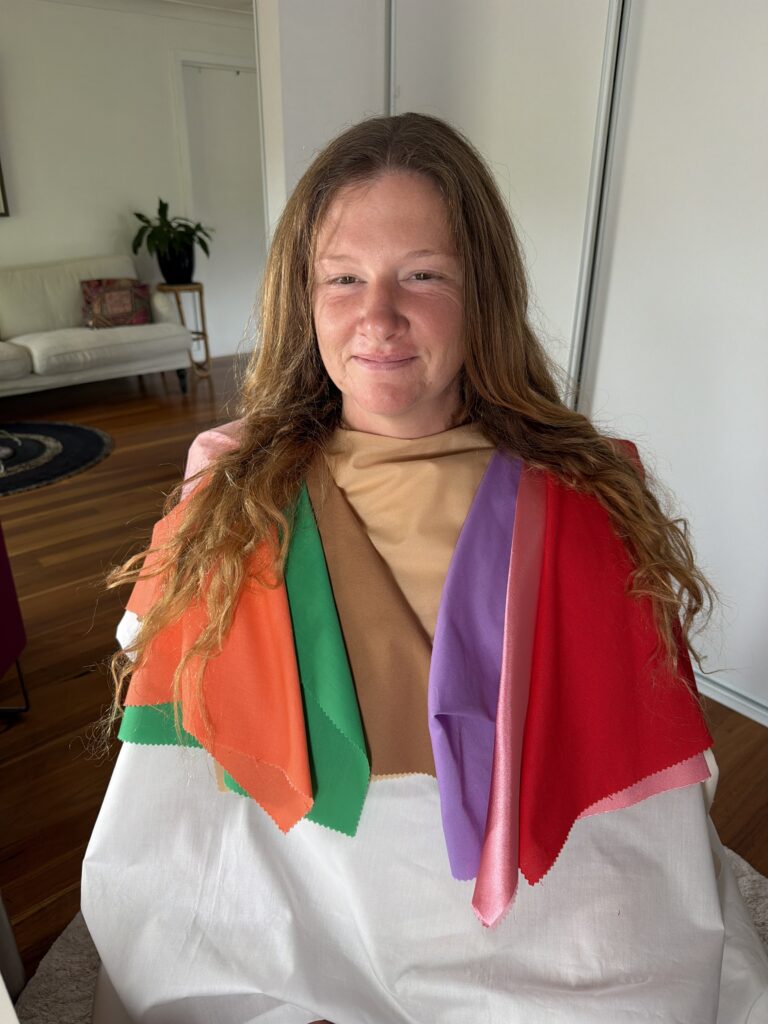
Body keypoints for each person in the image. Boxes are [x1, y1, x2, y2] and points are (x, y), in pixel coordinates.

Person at [81, 113, 768, 1023]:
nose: (378, 316)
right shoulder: (231, 489)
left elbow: (639, 804)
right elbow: (172, 769)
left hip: (535, 913)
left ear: (482, 293)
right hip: (308, 897)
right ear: (303, 298)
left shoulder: (587, 493)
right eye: (343, 278)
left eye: (423, 275)